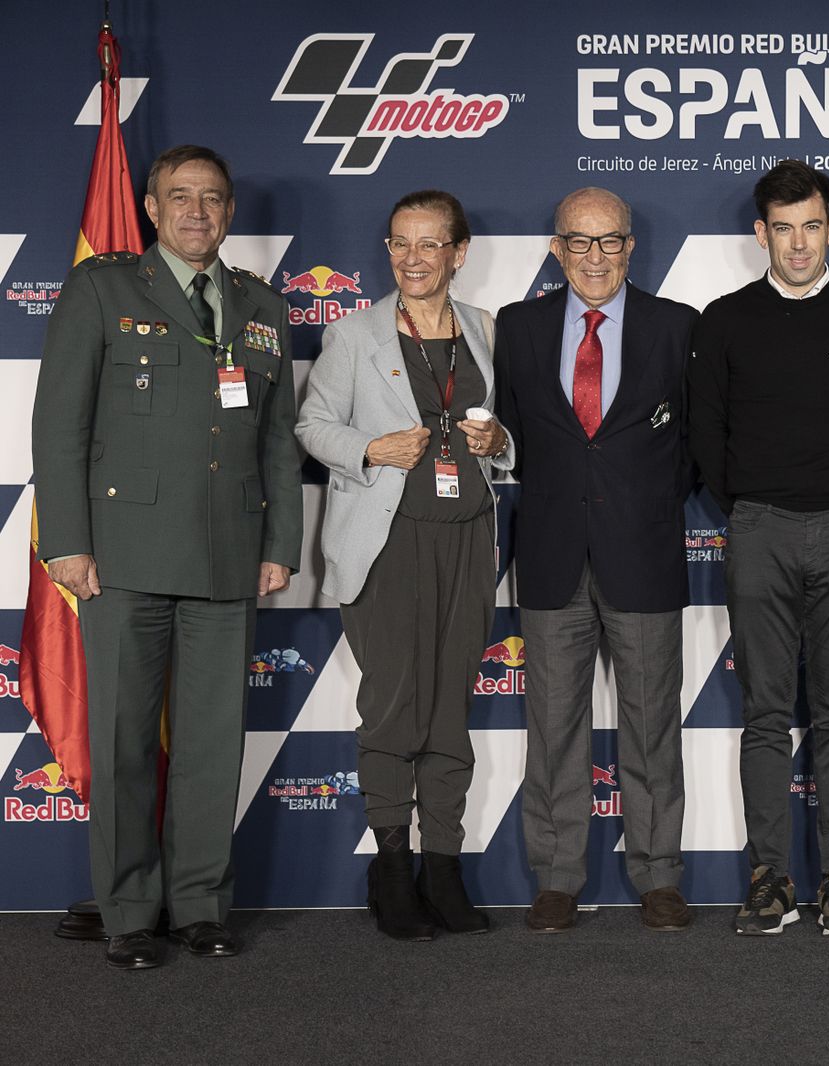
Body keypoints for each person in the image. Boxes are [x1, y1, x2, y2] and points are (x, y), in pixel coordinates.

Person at [32, 144, 303, 968]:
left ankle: (199, 907)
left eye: (212, 198)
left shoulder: (261, 306)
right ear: (151, 208)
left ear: (229, 211)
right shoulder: (103, 287)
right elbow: (60, 426)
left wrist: (279, 544)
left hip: (228, 557)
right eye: (179, 197)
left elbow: (278, 441)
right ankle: (127, 914)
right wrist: (69, 543)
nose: (197, 212)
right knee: (120, 744)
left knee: (213, 746)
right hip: (125, 557)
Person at [688, 160, 829, 936]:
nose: (798, 243)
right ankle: (769, 879)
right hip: (759, 529)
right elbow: (705, 439)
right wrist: (750, 505)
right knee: (765, 715)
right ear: (761, 234)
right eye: (783, 229)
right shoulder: (723, 319)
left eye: (811, 226)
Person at [296, 189, 512, 941]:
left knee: (449, 711)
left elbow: (501, 438)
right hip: (386, 546)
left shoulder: (484, 330)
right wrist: (368, 448)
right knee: (393, 709)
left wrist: (499, 445)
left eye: (429, 245)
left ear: (459, 253)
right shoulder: (355, 334)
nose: (412, 259)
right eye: (399, 243)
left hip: (465, 539)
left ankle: (443, 867)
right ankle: (391, 867)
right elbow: (311, 423)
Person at [494, 188, 698, 933]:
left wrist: (640, 506)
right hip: (550, 556)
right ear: (556, 248)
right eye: (579, 242)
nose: (595, 257)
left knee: (652, 727)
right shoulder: (517, 328)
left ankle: (658, 876)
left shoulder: (677, 326)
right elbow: (515, 436)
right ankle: (555, 877)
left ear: (631, 246)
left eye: (610, 241)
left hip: (642, 555)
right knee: (552, 727)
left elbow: (694, 449)